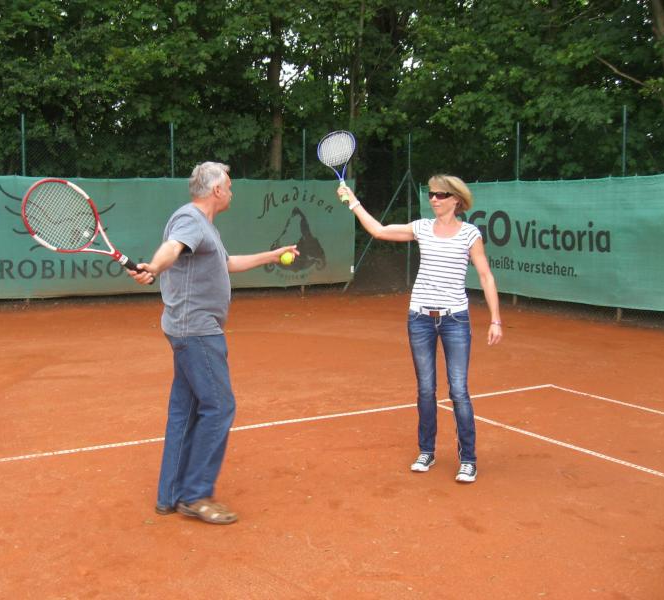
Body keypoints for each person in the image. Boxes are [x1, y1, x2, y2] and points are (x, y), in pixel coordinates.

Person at [127, 161, 298, 524]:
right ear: (217, 190)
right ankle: (196, 495)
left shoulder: (205, 227)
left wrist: (271, 255)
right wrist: (154, 267)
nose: (232, 192)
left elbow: (227, 263)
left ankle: (170, 495)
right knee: (219, 406)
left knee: (185, 411)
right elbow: (172, 248)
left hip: (187, 329)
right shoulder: (190, 219)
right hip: (197, 331)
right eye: (229, 186)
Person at [340, 175, 502, 483]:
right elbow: (379, 230)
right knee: (426, 389)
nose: (434, 199)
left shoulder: (470, 234)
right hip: (420, 319)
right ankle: (426, 451)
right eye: (432, 194)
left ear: (456, 200)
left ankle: (468, 459)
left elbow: (486, 276)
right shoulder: (422, 228)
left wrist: (495, 319)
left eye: (441, 195)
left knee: (459, 391)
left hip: (455, 320)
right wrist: (353, 202)